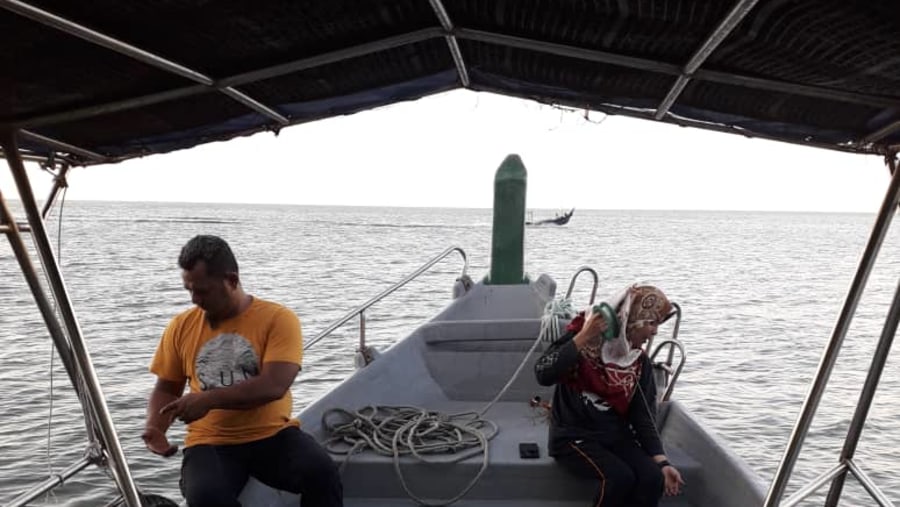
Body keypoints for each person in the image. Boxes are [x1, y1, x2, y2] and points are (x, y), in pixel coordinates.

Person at [142, 235, 343, 507]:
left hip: (272, 435)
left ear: (232, 280)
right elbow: (167, 387)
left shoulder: (278, 319)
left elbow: (274, 384)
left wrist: (208, 399)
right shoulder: (181, 326)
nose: (194, 299)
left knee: (322, 474)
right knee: (205, 498)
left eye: (202, 291)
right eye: (188, 290)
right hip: (209, 441)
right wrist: (156, 427)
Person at [534, 284, 684, 507]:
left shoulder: (638, 362)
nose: (654, 332)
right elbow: (543, 372)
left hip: (615, 437)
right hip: (573, 438)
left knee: (652, 478)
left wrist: (662, 462)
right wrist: (584, 335)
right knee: (620, 478)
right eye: (651, 323)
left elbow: (643, 417)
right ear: (632, 321)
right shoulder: (580, 344)